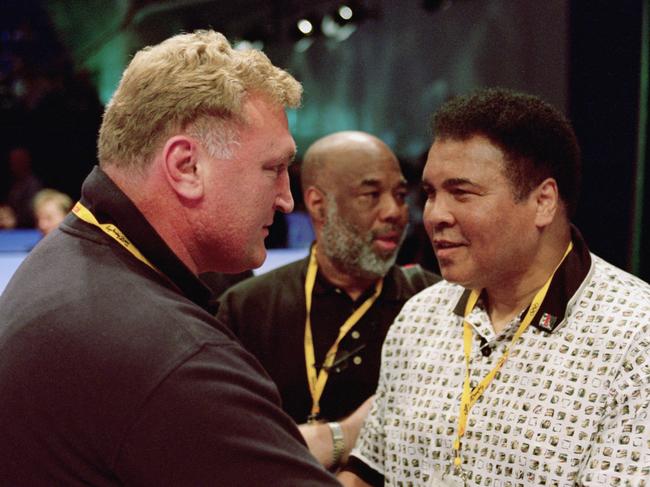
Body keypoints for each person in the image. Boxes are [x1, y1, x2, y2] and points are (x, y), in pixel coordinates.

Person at [0, 30, 341, 486]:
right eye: (274, 169)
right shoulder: (174, 355)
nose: (285, 200)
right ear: (186, 167)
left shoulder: (66, 260)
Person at [339, 88, 650, 486]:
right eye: (431, 193)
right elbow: (370, 469)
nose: (435, 215)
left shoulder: (633, 339)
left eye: (461, 193)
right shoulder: (418, 318)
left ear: (543, 202)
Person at [216, 130, 440, 470]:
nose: (395, 212)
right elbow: (225, 443)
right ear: (319, 205)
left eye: (399, 195)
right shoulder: (247, 308)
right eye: (371, 195)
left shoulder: (433, 304)